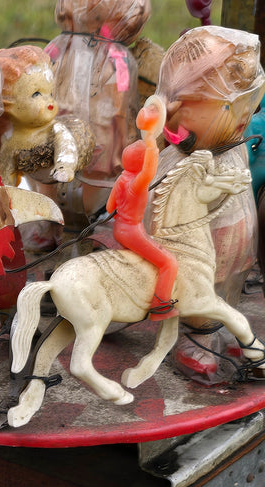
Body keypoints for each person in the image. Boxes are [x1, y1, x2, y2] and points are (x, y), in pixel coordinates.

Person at [105, 95, 177, 321]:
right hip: (132, 231)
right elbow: (148, 173)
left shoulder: (121, 179)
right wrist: (151, 144)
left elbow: (109, 208)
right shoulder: (137, 183)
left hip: (118, 229)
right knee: (169, 263)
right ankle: (160, 307)